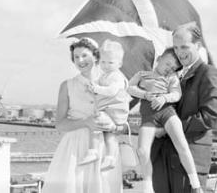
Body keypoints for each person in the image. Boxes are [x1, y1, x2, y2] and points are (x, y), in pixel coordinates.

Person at [142, 23, 217, 193]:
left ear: (198, 46)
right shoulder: (171, 75)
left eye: (184, 46)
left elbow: (210, 116)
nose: (179, 52)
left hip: (190, 160)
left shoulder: (208, 73)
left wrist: (169, 129)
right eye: (175, 47)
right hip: (162, 159)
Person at [42, 38, 123, 193]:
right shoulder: (67, 86)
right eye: (76, 57)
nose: (80, 60)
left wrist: (114, 126)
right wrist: (86, 122)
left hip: (105, 148)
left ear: (96, 56)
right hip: (75, 148)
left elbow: (122, 117)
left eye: (84, 55)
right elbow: (60, 124)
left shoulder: (113, 83)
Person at [128, 47, 202, 193]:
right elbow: (129, 88)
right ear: (159, 58)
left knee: (181, 144)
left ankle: (196, 185)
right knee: (142, 151)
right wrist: (144, 94)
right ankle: (147, 188)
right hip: (149, 116)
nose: (170, 69)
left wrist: (164, 97)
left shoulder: (172, 77)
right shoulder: (142, 75)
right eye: (168, 64)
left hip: (167, 112)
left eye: (174, 68)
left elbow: (176, 94)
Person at [79, 40, 130, 172]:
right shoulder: (104, 75)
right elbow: (97, 82)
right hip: (109, 110)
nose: (106, 65)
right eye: (103, 62)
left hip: (116, 111)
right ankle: (110, 158)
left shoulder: (117, 77)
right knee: (109, 135)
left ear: (120, 63)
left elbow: (111, 91)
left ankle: (94, 151)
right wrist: (91, 84)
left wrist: (96, 88)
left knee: (95, 121)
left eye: (110, 62)